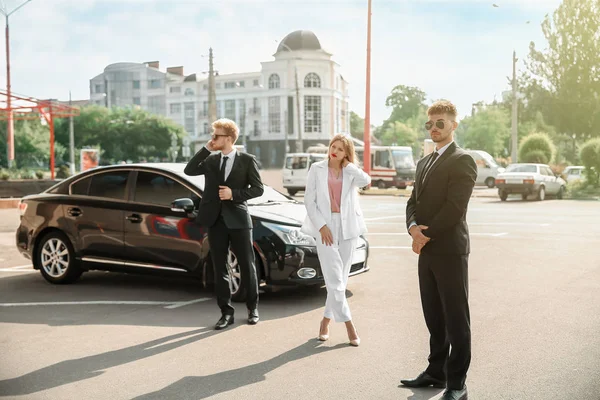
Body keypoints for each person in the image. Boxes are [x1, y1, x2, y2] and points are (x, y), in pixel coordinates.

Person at [400, 100, 477, 400]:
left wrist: (423, 236)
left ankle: (457, 383)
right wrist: (412, 228)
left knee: (456, 318)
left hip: (450, 251)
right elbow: (412, 203)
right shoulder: (423, 162)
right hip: (427, 251)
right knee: (434, 315)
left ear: (454, 125)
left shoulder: (463, 160)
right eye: (429, 124)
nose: (434, 128)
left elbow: (454, 209)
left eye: (440, 123)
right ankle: (436, 371)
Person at [184, 118, 264, 330]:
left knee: (247, 265)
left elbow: (258, 189)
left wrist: (233, 194)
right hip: (215, 220)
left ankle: (252, 308)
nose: (212, 139)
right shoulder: (211, 160)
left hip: (238, 219)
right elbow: (189, 170)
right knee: (220, 267)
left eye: (216, 136)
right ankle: (225, 312)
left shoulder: (247, 160)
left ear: (228, 138)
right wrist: (205, 149)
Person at [301, 134, 371, 346]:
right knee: (334, 277)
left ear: (346, 153)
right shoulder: (316, 168)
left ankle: (325, 321)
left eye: (340, 149)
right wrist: (321, 226)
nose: (335, 151)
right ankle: (350, 325)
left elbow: (366, 181)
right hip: (326, 225)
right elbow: (309, 200)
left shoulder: (350, 172)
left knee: (341, 277)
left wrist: (348, 166)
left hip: (348, 225)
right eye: (333, 146)